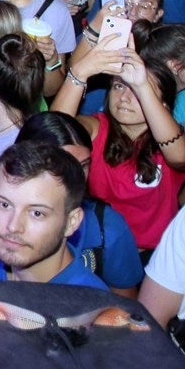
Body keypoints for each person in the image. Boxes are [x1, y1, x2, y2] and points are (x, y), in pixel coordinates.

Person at [52, 29, 185, 253]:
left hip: (157, 255)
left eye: (137, 91)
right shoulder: (96, 128)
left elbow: (179, 156)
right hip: (101, 250)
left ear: (162, 103)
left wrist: (142, 84)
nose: (124, 98)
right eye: (119, 86)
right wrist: (80, 73)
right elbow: (51, 136)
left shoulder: (170, 137)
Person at [0, 141, 107, 289]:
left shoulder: (91, 306)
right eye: (5, 204)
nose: (13, 226)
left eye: (37, 213)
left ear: (71, 222)